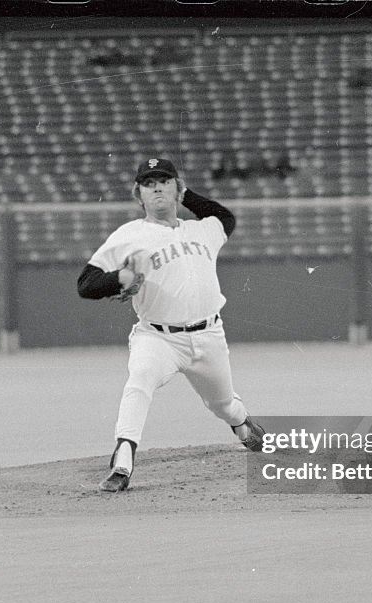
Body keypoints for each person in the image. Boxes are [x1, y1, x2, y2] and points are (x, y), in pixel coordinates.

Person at [77, 157, 266, 492]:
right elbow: (86, 283)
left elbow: (226, 217)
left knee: (223, 404)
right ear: (139, 194)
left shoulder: (202, 230)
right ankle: (122, 461)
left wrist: (186, 194)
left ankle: (242, 425)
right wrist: (117, 278)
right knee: (140, 380)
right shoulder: (129, 235)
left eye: (164, 181)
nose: (157, 188)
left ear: (177, 187)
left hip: (208, 336)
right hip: (158, 338)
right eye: (149, 184)